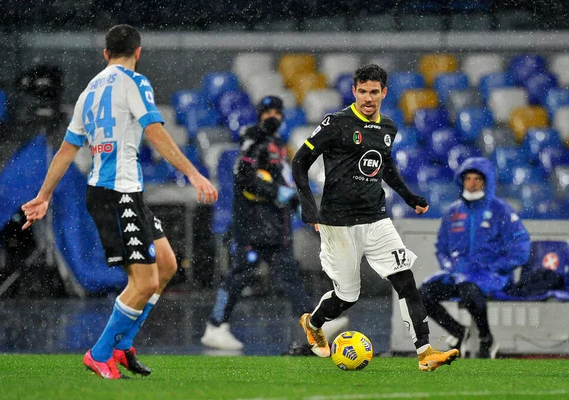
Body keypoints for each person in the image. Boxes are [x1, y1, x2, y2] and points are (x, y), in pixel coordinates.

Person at [21, 24, 217, 379]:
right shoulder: (135, 82)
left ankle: (123, 345)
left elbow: (67, 150)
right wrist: (194, 173)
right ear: (138, 52)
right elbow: (155, 131)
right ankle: (99, 353)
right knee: (143, 283)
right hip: (118, 193)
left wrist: (43, 194)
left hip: (118, 192)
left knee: (167, 265)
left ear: (105, 54)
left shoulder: (88, 92)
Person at [291, 63, 459, 372]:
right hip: (338, 222)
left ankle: (424, 352)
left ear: (384, 93)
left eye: (374, 92)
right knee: (347, 295)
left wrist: (409, 197)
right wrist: (308, 206)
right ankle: (313, 323)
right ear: (354, 91)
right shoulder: (336, 123)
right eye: (363, 92)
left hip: (377, 219)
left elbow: (385, 165)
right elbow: (300, 162)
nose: (368, 98)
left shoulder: (388, 128)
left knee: (405, 280)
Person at [200, 95, 347, 352]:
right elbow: (244, 176)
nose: (272, 116)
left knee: (289, 278)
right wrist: (275, 192)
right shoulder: (254, 138)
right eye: (267, 111)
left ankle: (314, 324)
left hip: (274, 227)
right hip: (252, 226)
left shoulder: (277, 145)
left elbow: (280, 182)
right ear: (259, 115)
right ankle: (215, 326)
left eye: (276, 112)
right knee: (239, 276)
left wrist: (297, 205)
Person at [419, 157, 531, 359]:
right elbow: (441, 247)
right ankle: (458, 331)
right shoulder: (452, 212)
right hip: (457, 274)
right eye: (468, 178)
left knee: (468, 289)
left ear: (487, 182)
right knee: (422, 295)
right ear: (461, 181)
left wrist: (494, 266)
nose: (471, 184)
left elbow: (521, 248)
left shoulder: (501, 210)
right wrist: (448, 266)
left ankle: (486, 338)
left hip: (491, 276)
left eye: (477, 179)